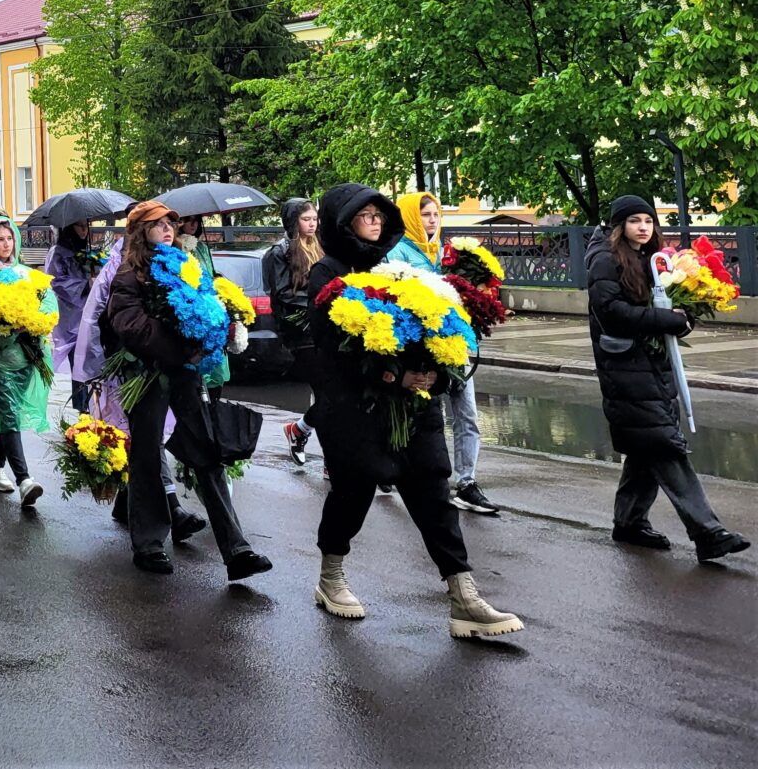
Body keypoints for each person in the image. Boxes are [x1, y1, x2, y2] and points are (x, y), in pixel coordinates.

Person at [305, 184, 522, 637]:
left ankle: (464, 597)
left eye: (378, 214)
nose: (375, 221)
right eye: (364, 214)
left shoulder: (396, 268)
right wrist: (390, 375)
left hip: (414, 407)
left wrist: (435, 373)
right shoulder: (327, 273)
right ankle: (331, 577)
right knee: (353, 493)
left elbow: (430, 328)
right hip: (355, 411)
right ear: (341, 222)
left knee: (433, 495)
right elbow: (331, 349)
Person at [104, 200, 267, 579]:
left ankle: (237, 550)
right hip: (147, 375)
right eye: (158, 224)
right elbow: (130, 325)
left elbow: (204, 305)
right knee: (147, 457)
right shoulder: (129, 274)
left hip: (186, 372)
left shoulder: (186, 267)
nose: (167, 230)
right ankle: (149, 544)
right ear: (141, 231)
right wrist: (181, 347)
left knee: (207, 451)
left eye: (170, 224)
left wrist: (215, 330)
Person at [589, 195, 750, 562]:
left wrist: (683, 316)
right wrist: (668, 320)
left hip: (650, 364)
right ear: (619, 226)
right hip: (625, 368)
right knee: (663, 443)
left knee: (646, 445)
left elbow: (662, 307)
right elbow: (611, 312)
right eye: (634, 221)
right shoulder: (605, 260)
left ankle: (629, 522)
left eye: (648, 221)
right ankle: (708, 532)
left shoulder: (650, 258)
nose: (643, 227)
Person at [80, 244, 207, 541]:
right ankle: (172, 509)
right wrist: (95, 367)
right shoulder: (118, 268)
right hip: (126, 365)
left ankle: (130, 505)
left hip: (160, 365)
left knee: (146, 438)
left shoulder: (170, 263)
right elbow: (95, 316)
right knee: (142, 439)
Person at [386, 192, 496, 515]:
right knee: (416, 417)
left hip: (455, 344)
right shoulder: (398, 253)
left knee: (467, 413)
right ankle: (396, 467)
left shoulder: (446, 253)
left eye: (435, 214)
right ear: (410, 217)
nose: (432, 220)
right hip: (421, 349)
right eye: (425, 215)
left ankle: (467, 482)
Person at [0, 217, 52, 509]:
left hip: (26, 360)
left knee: (11, 415)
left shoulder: (28, 275)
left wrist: (33, 321)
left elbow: (48, 306)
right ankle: (25, 480)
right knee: (9, 414)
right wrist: (6, 327)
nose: (6, 244)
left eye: (10, 238)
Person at [263, 198, 323, 466]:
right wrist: (316, 304)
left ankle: (299, 430)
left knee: (332, 395)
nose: (312, 224)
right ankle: (326, 456)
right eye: (305, 219)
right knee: (327, 394)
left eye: (314, 219)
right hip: (301, 331)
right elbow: (283, 293)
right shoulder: (280, 252)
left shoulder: (321, 246)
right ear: (292, 222)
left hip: (322, 326)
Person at [43, 218, 99, 413]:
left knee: (89, 362)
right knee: (78, 362)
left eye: (86, 226)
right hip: (70, 316)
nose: (84, 231)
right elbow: (55, 281)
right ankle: (81, 408)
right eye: (79, 226)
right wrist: (85, 285)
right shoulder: (57, 252)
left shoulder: (87, 251)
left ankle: (90, 406)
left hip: (89, 313)